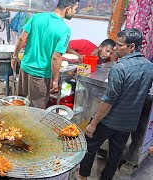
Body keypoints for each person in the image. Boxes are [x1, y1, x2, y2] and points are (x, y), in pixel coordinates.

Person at [76, 28, 153, 180]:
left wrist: (93, 123)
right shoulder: (149, 66)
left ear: (132, 47)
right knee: (116, 154)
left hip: (109, 120)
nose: (115, 48)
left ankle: (82, 176)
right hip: (129, 123)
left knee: (90, 145)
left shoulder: (119, 68)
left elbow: (109, 100)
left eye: (119, 45)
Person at [11, 0, 79, 109]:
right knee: (36, 110)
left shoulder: (36, 17)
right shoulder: (64, 30)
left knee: (20, 103)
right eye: (75, 9)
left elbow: (21, 38)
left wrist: (14, 57)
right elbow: (56, 57)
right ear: (68, 9)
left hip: (24, 69)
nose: (75, 12)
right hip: (40, 75)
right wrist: (55, 80)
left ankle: (17, 124)